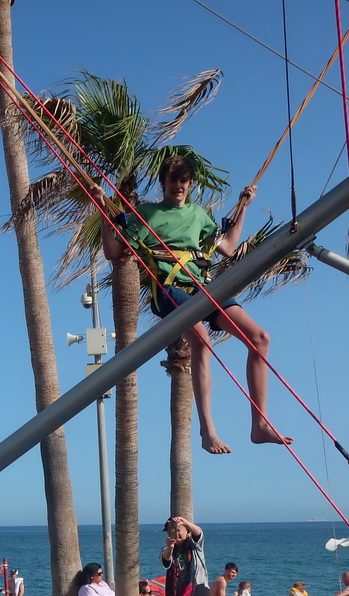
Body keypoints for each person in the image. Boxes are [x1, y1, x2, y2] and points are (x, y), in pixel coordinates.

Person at [96, 155, 292, 454]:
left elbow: (227, 248)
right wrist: (101, 211)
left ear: (190, 184)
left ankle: (260, 425)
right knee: (201, 341)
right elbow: (113, 252)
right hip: (169, 289)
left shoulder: (199, 214)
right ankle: (207, 431)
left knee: (260, 338)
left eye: (183, 180)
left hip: (202, 285)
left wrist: (243, 208)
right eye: (173, 179)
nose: (178, 185)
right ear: (164, 183)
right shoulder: (147, 213)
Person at [161, 515, 211, 596]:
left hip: (198, 591)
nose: (176, 534)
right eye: (172, 530)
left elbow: (199, 532)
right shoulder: (166, 548)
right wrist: (170, 547)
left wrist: (184, 521)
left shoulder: (195, 546)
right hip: (178, 595)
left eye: (179, 530)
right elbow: (166, 563)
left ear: (187, 531)